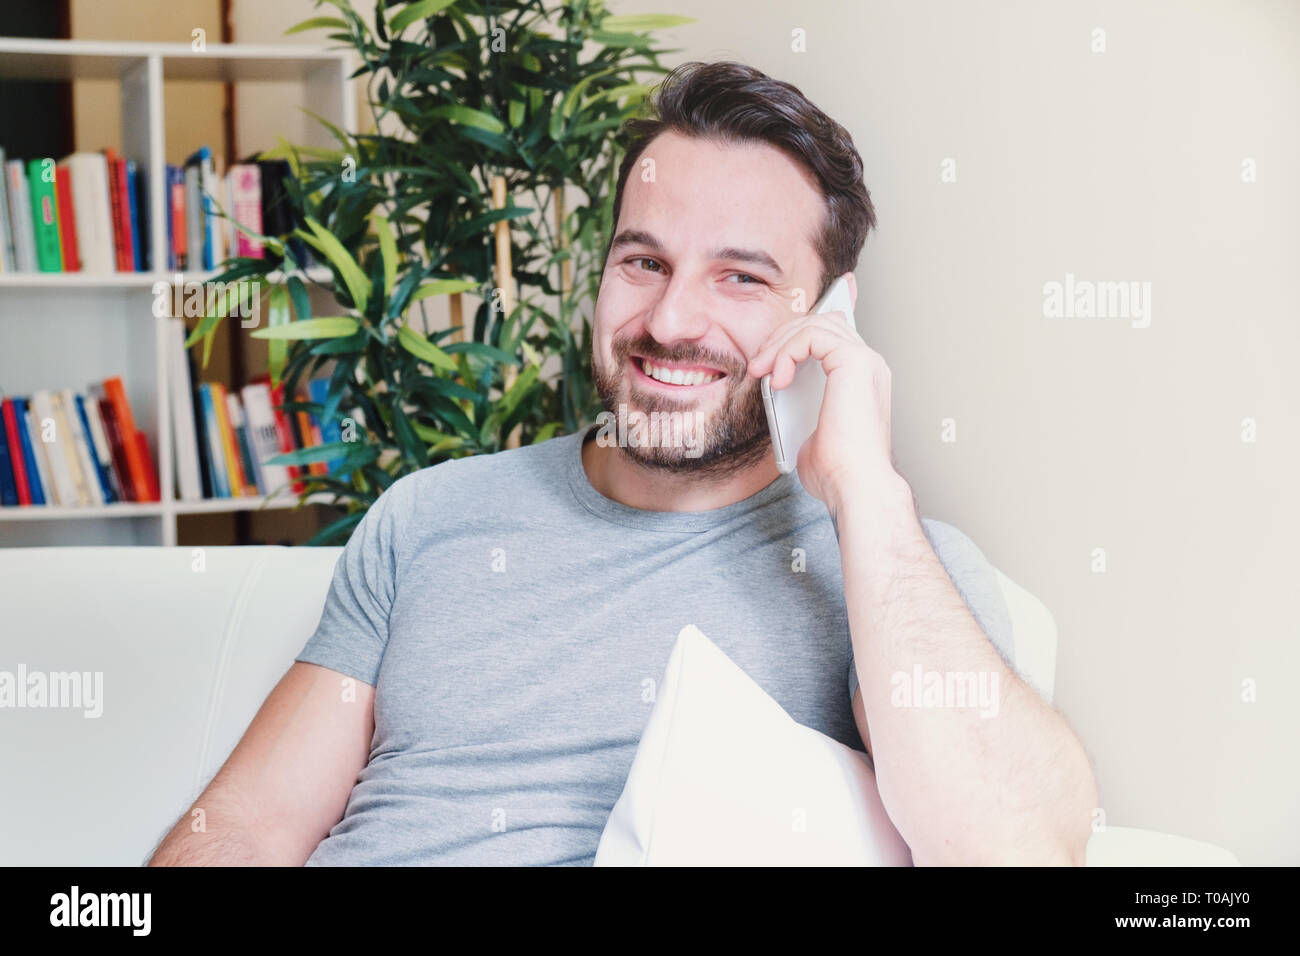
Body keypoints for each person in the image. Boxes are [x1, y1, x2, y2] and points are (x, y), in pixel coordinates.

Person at [148, 60, 1096, 867]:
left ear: (830, 314)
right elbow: (244, 824)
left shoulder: (888, 572)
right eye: (643, 262)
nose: (672, 321)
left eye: (742, 276)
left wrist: (866, 494)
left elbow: (1013, 847)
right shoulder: (427, 519)